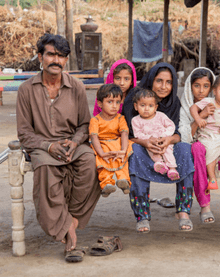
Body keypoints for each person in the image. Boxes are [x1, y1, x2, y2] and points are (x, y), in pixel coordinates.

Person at [16, 34, 100, 262]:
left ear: (66, 61)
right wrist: (48, 146)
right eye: (51, 54)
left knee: (91, 162)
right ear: (40, 56)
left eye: (61, 56)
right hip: (42, 145)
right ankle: (67, 232)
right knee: (44, 170)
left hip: (72, 143)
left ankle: (70, 221)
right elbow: (24, 132)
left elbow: (85, 123)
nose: (56, 60)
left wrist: (74, 141)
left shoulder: (77, 87)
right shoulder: (26, 90)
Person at [123, 62, 195, 233]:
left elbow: (177, 134)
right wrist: (146, 143)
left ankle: (184, 211)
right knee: (136, 154)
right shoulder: (136, 98)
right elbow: (126, 133)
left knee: (185, 149)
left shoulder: (173, 103)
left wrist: (168, 140)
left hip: (166, 146)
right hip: (140, 144)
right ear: (151, 80)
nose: (164, 86)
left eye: (169, 82)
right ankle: (142, 215)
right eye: (159, 81)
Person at [179, 68, 220, 224]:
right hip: (201, 142)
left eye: (206, 86)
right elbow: (186, 137)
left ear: (212, 88)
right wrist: (201, 116)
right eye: (197, 86)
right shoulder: (187, 107)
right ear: (189, 86)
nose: (201, 91)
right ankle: (205, 205)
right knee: (197, 149)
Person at [89, 84, 133, 197]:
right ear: (99, 103)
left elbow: (124, 134)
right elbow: (94, 137)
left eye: (117, 102)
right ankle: (106, 184)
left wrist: (123, 150)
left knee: (122, 160)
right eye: (110, 102)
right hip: (102, 145)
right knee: (103, 162)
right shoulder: (95, 120)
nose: (114, 106)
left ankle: (124, 181)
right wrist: (102, 153)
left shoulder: (120, 118)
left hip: (118, 144)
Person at [131, 88, 179, 180]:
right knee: (151, 150)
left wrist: (164, 135)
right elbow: (138, 134)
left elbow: (171, 126)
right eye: (142, 105)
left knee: (168, 150)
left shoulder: (161, 116)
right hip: (150, 142)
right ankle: (160, 164)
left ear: (155, 107)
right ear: (136, 106)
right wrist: (149, 138)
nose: (146, 109)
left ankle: (172, 169)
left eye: (150, 106)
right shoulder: (136, 120)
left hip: (163, 139)